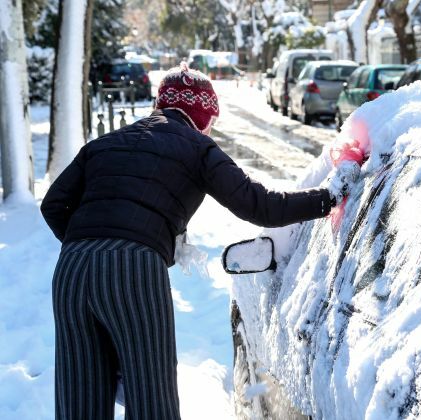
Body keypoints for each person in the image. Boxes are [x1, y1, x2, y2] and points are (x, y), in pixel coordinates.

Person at [41, 63, 359, 420]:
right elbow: (261, 205)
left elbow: (53, 205)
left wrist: (89, 244)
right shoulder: (198, 147)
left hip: (71, 271)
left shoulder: (105, 143)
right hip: (133, 268)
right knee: (151, 400)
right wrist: (330, 197)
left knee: (79, 402)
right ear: (204, 116)